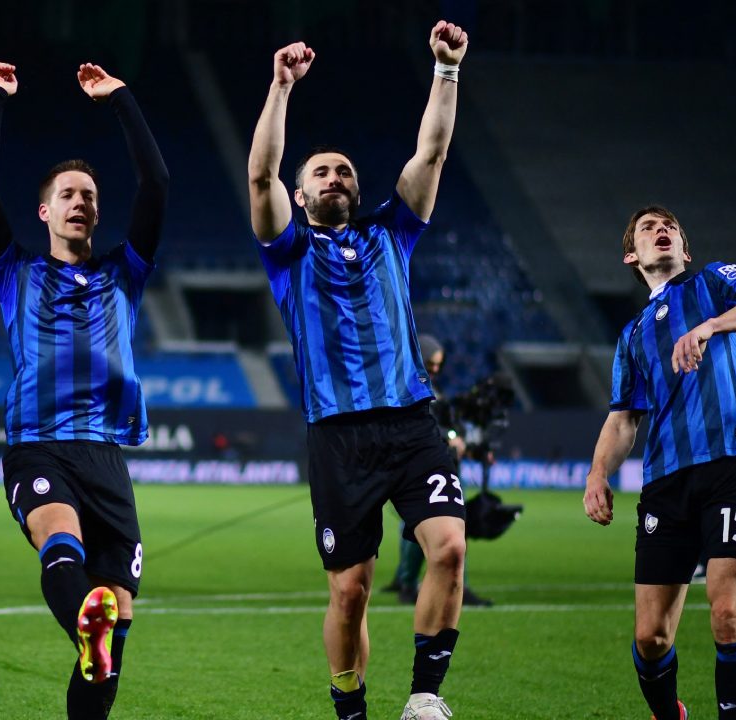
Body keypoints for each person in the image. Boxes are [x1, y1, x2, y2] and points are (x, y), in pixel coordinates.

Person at [248, 22, 469, 720]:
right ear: (300, 195)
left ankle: (425, 696)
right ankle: (350, 706)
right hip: (339, 435)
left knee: (449, 549)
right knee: (351, 592)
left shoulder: (390, 232)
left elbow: (431, 153)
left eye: (343, 170)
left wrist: (446, 70)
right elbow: (260, 174)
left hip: (410, 421)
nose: (335, 178)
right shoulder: (287, 252)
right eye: (321, 173)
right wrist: (281, 87)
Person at [0, 61, 167, 719]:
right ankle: (85, 618)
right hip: (39, 445)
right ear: (45, 211)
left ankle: (92, 630)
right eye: (69, 194)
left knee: (115, 636)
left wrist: (121, 98)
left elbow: (156, 182)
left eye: (90, 195)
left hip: (107, 456)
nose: (82, 202)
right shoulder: (15, 272)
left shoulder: (124, 275)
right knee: (61, 541)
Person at [583, 206, 736, 720]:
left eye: (670, 226)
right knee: (650, 637)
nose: (662, 230)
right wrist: (597, 473)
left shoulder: (715, 282)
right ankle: (669, 714)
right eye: (648, 227)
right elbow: (623, 419)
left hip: (735, 463)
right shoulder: (632, 335)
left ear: (685, 250)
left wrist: (711, 326)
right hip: (666, 481)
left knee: (728, 612)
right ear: (632, 256)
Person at [381, 336, 492, 607]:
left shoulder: (434, 390)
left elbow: (451, 423)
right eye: (431, 363)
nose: (435, 369)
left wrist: (466, 444)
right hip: (422, 468)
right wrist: (451, 438)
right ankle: (418, 583)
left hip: (442, 466)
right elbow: (422, 425)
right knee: (434, 527)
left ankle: (411, 582)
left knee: (429, 528)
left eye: (438, 365)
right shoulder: (408, 388)